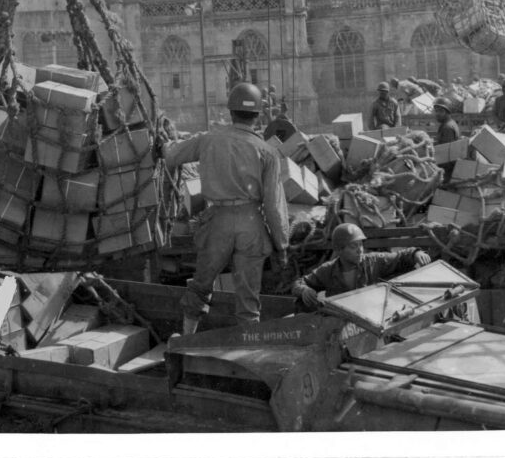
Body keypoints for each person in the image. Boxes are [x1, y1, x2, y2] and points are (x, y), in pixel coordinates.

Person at [165, 82, 290, 333]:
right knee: (248, 299)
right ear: (258, 115)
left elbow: (170, 156)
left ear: (230, 112)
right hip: (251, 225)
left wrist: (162, 140)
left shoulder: (208, 139)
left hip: (217, 223)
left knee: (200, 285)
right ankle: (248, 349)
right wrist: (282, 245)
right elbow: (273, 206)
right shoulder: (267, 152)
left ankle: (187, 340)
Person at [291, 223, 431, 307]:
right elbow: (298, 283)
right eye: (353, 246)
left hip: (370, 318)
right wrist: (304, 290)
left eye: (360, 245)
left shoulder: (373, 261)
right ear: (339, 250)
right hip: (342, 322)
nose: (360, 250)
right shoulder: (328, 270)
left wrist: (416, 254)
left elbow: (400, 257)